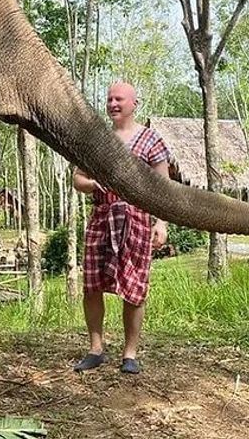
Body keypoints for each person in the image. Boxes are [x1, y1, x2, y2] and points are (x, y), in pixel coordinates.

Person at [71, 81, 170, 375]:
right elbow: (78, 179)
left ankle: (130, 354)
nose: (113, 104)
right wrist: (92, 184)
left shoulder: (150, 140)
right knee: (92, 285)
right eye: (109, 99)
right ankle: (96, 349)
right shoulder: (97, 140)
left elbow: (163, 187)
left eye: (119, 99)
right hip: (102, 217)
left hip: (136, 220)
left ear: (134, 104)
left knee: (134, 289)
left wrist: (161, 223)